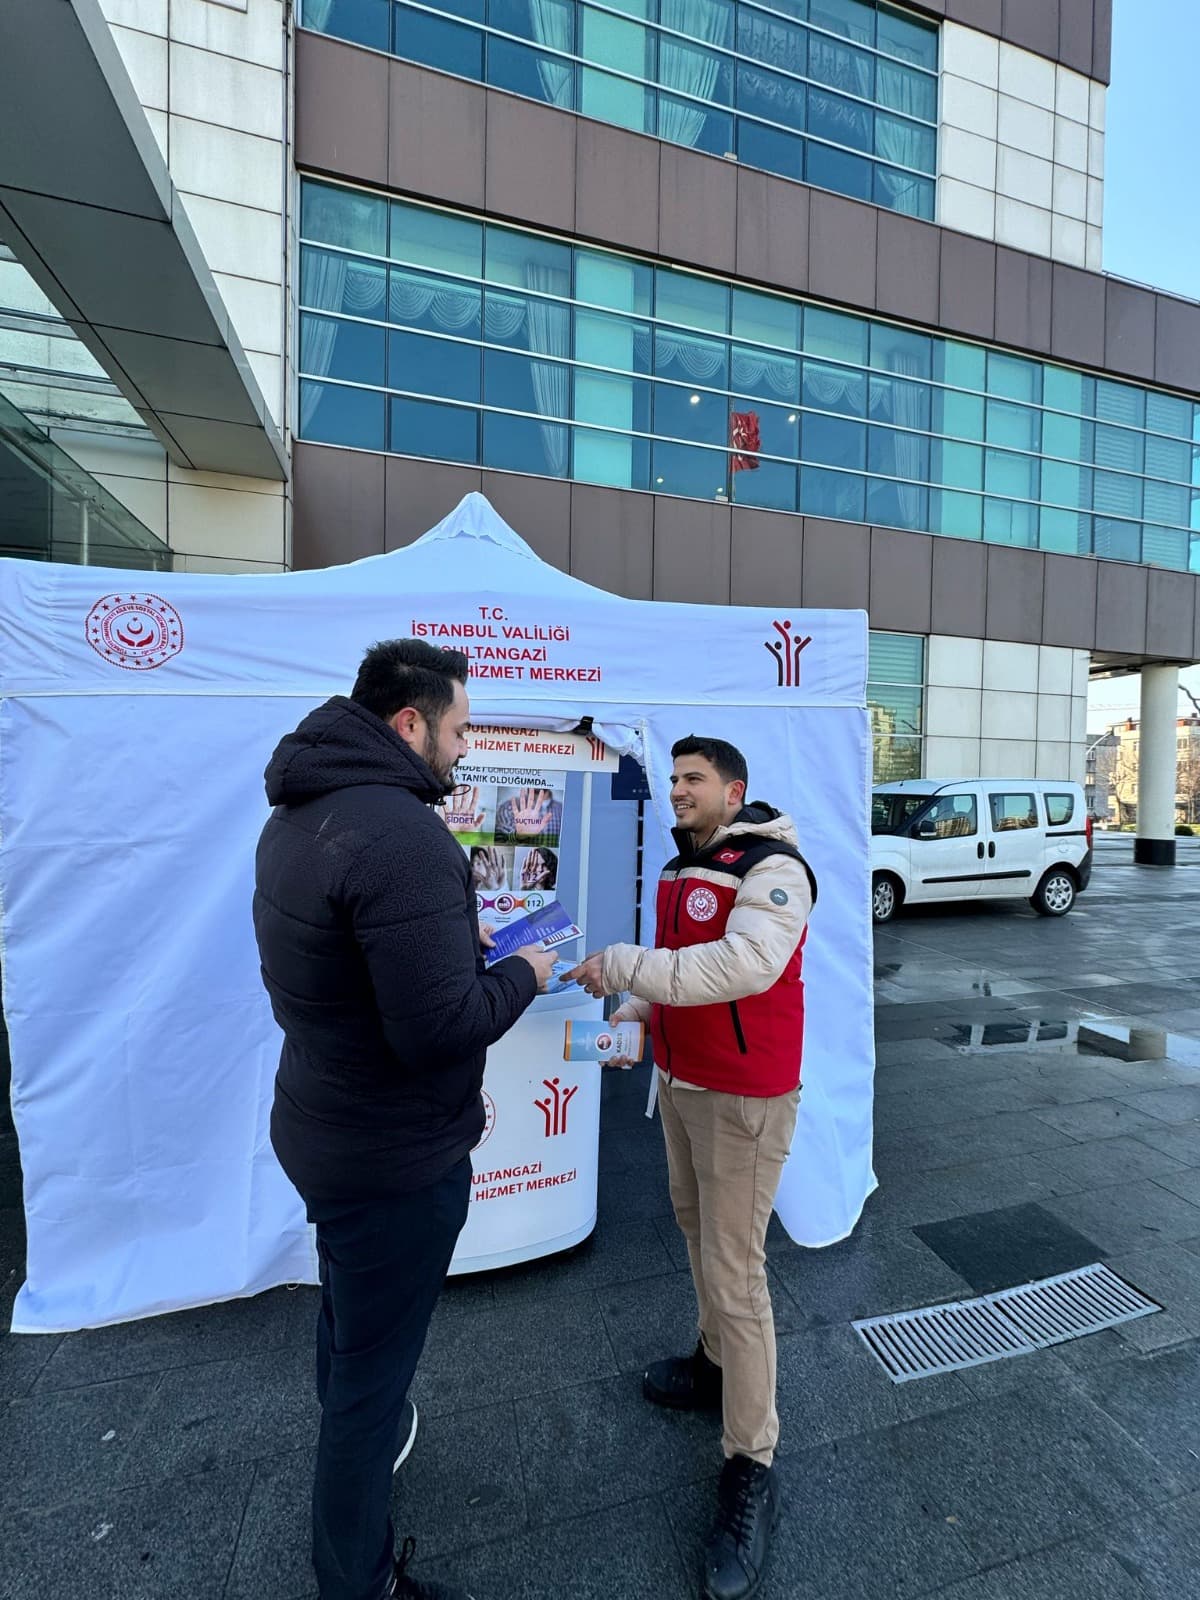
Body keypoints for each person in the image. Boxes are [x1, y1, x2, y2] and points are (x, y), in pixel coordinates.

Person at [253, 639, 556, 1600]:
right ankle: (359, 1580)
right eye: (460, 730)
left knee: (350, 1322)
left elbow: (345, 969)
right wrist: (523, 971)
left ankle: (358, 1440)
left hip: (322, 1126)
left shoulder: (302, 815)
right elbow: (440, 1031)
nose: (465, 751)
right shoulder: (403, 837)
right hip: (392, 1156)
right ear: (410, 723)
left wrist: (439, 942)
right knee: (372, 1383)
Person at [569, 736, 816, 1600]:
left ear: (733, 789)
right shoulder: (686, 866)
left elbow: (747, 964)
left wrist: (627, 966)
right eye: (673, 779)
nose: (676, 791)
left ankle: (752, 1462)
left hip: (744, 1099)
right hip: (680, 1084)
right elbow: (685, 967)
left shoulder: (774, 868)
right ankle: (714, 1364)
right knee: (696, 1231)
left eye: (693, 780)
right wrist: (637, 1010)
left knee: (735, 1268)